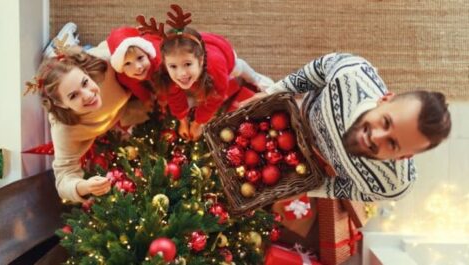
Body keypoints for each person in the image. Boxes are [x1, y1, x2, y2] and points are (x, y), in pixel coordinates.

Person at [242, 52, 451, 201]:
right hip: (297, 113)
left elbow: (345, 189)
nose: (375, 137)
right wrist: (274, 93)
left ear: (403, 157)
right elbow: (317, 70)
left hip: (307, 161)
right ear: (385, 99)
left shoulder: (392, 186)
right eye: (386, 122)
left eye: (393, 143)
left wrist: (304, 188)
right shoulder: (350, 73)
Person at [26, 46, 149, 203]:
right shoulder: (64, 127)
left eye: (85, 83)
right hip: (118, 121)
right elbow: (64, 177)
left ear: (86, 73)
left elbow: (135, 45)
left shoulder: (105, 63)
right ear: (61, 104)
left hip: (132, 97)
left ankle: (69, 47)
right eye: (73, 95)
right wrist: (83, 186)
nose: (88, 95)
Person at [149, 5, 274, 141]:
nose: (181, 74)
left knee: (238, 69)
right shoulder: (166, 73)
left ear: (201, 60)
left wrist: (198, 123)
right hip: (200, 50)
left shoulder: (216, 69)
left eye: (188, 64)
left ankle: (256, 77)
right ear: (165, 64)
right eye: (173, 66)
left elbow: (214, 100)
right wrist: (183, 121)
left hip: (223, 55)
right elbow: (174, 96)